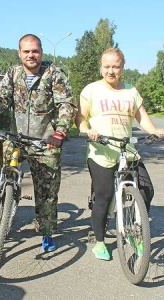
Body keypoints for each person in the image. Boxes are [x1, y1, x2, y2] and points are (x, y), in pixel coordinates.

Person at [0, 34, 76, 252]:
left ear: (41, 52)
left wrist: (60, 132)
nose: (31, 55)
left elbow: (66, 105)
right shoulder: (13, 73)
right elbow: (0, 98)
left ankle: (46, 231)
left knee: (47, 189)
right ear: (19, 53)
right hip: (16, 138)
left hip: (45, 142)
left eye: (35, 51)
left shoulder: (54, 74)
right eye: (26, 51)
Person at [75, 47, 164, 260]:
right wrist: (87, 130)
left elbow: (141, 116)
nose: (111, 71)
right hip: (101, 151)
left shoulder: (131, 91)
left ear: (122, 67)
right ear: (101, 67)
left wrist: (154, 131)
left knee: (145, 190)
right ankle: (99, 242)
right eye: (107, 66)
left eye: (116, 66)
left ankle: (133, 231)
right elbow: (80, 118)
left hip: (128, 150)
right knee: (104, 197)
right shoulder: (91, 90)